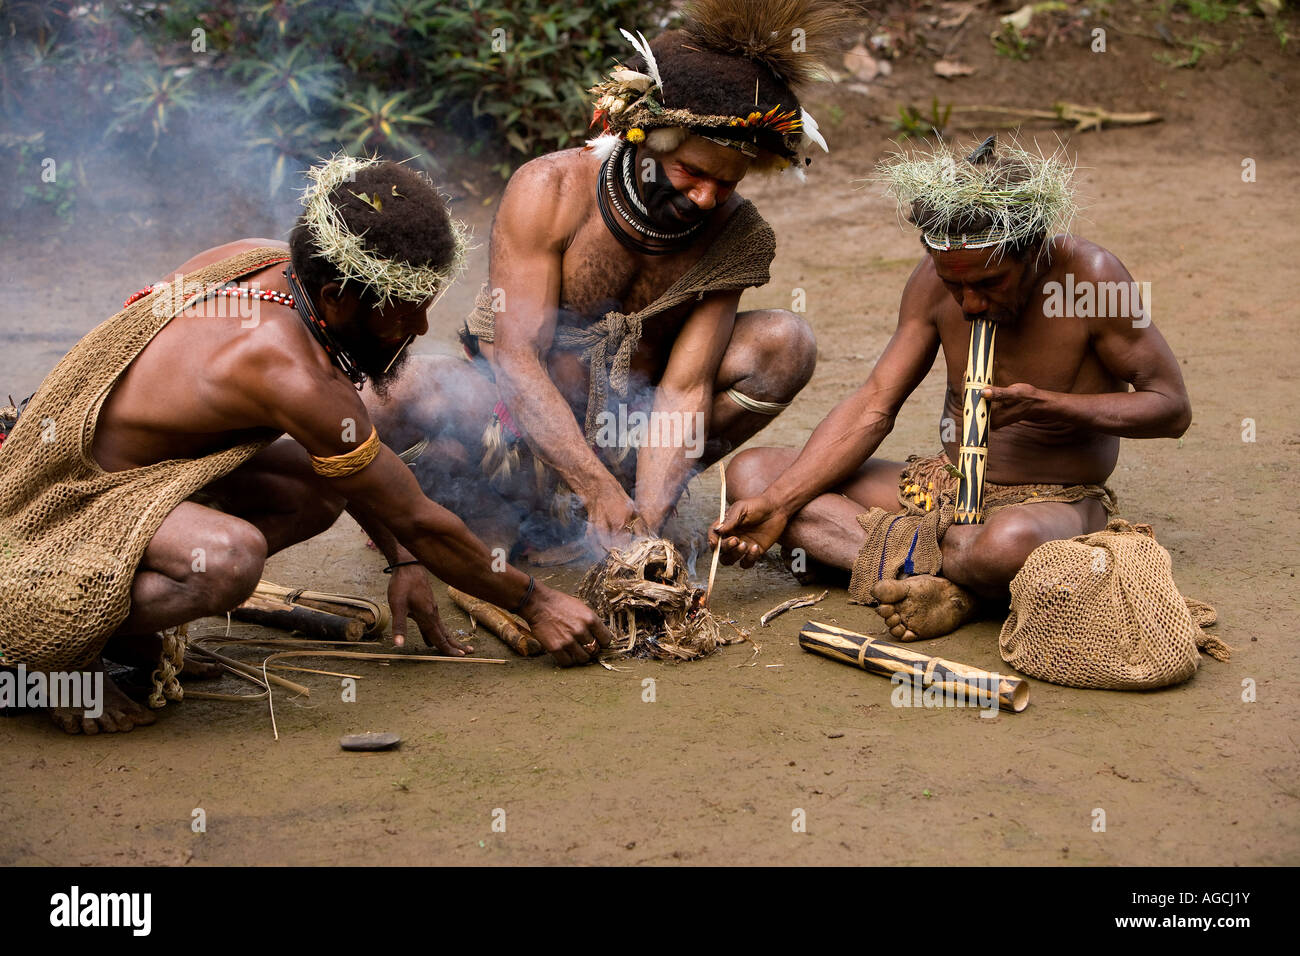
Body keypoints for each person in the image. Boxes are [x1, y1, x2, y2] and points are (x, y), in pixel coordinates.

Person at [0, 154, 612, 735]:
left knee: (319, 488)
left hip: (131, 467)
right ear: (337, 299)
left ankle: (125, 635)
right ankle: (56, 653)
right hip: (66, 498)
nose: (420, 328)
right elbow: (418, 517)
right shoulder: (288, 371)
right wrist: (536, 604)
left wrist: (402, 560)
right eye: (403, 311)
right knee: (229, 558)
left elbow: (364, 474)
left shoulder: (261, 262)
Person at [366, 0, 853, 559]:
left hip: (630, 435)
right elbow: (516, 359)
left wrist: (644, 523)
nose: (705, 197)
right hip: (511, 425)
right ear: (646, 139)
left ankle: (624, 502)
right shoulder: (550, 191)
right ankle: (494, 501)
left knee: (784, 344)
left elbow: (682, 388)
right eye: (692, 173)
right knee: (384, 391)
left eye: (726, 183)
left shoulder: (735, 234)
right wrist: (590, 486)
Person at [713, 136, 1192, 642]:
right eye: (955, 285)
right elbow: (875, 404)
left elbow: (1170, 409)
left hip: (1053, 499)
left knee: (1005, 545)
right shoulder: (933, 280)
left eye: (989, 284)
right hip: (939, 486)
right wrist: (781, 503)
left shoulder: (1091, 278)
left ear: (1031, 250)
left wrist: (1052, 406)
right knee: (755, 476)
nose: (970, 304)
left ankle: (926, 572)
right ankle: (953, 580)